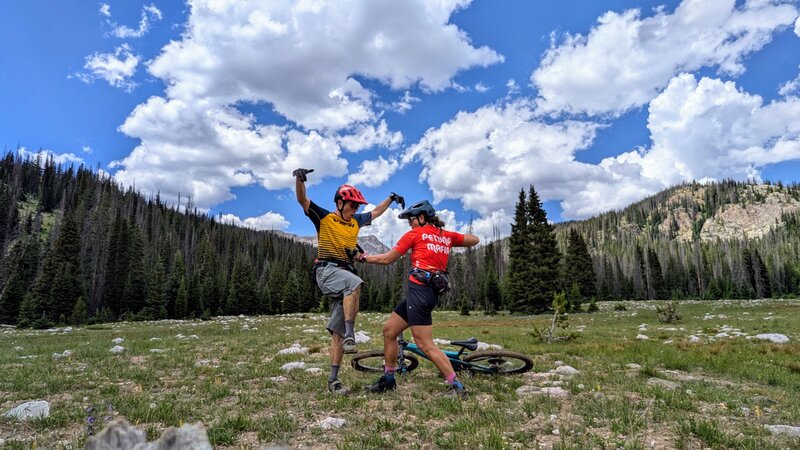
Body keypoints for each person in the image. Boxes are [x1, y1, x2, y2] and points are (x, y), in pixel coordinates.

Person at [293, 168, 404, 395]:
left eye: (357, 207)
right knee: (355, 283)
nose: (355, 210)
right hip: (327, 271)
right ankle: (351, 336)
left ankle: (333, 381)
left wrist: (391, 198)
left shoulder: (355, 221)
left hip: (343, 277)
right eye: (352, 205)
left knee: (337, 333)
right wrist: (299, 179)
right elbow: (302, 200)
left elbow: (376, 213)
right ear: (340, 203)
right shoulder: (325, 218)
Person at [360, 200, 479, 399]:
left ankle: (457, 387)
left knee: (425, 344)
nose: (409, 223)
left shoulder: (414, 234)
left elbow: (387, 259)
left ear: (422, 218)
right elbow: (474, 239)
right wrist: (444, 237)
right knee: (390, 331)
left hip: (420, 292)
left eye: (411, 219)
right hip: (427, 293)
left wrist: (363, 258)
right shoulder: (446, 236)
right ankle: (389, 380)